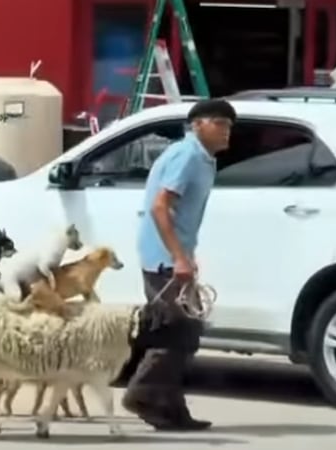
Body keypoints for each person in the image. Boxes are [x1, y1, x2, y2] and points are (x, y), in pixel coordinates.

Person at [122, 99, 235, 431]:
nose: (226, 131)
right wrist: (178, 257)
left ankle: (171, 410)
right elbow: (161, 207)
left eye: (229, 126)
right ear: (197, 125)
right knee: (177, 331)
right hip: (163, 259)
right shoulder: (187, 156)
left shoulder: (202, 158)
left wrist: (186, 253)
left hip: (171, 255)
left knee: (184, 333)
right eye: (219, 123)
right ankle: (142, 394)